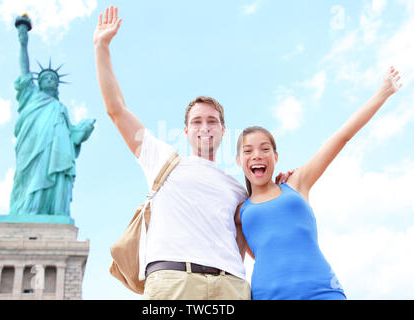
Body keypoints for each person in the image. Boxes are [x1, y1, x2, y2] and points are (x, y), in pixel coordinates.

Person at [93, 6, 292, 300]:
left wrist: (281, 185)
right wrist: (102, 47)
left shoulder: (239, 190)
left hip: (231, 285)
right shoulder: (163, 160)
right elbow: (116, 110)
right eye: (196, 122)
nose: (205, 127)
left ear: (223, 130)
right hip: (174, 281)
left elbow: (249, 239)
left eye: (212, 121)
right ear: (186, 131)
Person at [235, 67, 402, 300]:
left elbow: (342, 136)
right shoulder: (240, 211)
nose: (257, 155)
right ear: (238, 161)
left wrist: (383, 93)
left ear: (276, 157)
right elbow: (246, 256)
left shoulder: (296, 182)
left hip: (321, 291)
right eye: (248, 151)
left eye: (265, 149)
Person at [9, 18, 95, 218]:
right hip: (31, 145)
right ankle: (25, 211)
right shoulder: (30, 95)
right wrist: (23, 42)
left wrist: (83, 131)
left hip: (55, 151)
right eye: (45, 78)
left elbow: (71, 135)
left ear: (56, 86)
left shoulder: (60, 107)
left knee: (55, 176)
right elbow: (24, 69)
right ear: (39, 83)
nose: (49, 80)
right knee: (27, 177)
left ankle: (51, 211)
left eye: (53, 79)